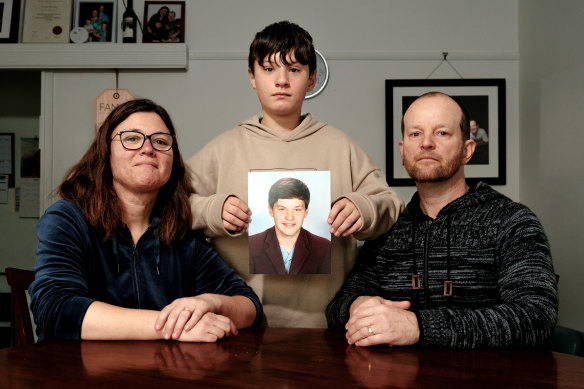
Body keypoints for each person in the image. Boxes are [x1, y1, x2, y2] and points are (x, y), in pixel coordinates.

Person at [186, 21, 404, 327]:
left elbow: (392, 205)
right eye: (268, 69)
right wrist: (211, 210)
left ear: (312, 78)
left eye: (295, 69)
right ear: (251, 76)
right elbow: (169, 205)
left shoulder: (341, 146)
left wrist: (363, 208)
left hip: (329, 325)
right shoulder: (222, 150)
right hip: (241, 323)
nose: (281, 81)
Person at [326, 92, 558, 348]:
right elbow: (336, 309)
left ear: (467, 150)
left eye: (442, 133)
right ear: (403, 151)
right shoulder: (389, 228)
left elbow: (537, 318)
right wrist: (356, 306)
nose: (426, 143)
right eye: (415, 134)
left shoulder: (512, 222)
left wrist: (419, 326)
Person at [30, 99, 262, 343]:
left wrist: (209, 302)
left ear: (172, 161)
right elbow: (56, 311)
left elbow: (250, 307)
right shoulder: (67, 219)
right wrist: (170, 326)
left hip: (159, 375)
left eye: (161, 141)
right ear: (105, 151)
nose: (148, 148)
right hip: (76, 374)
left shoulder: (181, 232)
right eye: (132, 138)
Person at [249, 177, 331, 275]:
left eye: (297, 210)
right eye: (282, 209)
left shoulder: (324, 248)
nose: (289, 217)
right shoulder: (251, 245)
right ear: (271, 210)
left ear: (306, 212)